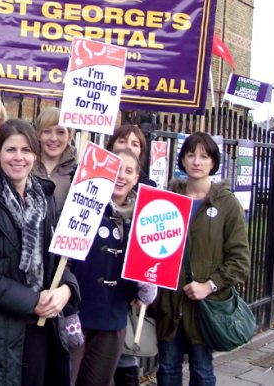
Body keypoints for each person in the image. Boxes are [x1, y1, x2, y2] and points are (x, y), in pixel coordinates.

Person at [0, 119, 80, 386]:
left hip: (42, 328)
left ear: (35, 155)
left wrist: (66, 290)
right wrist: (32, 300)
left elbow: (61, 260)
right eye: (11, 150)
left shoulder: (45, 199)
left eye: (26, 150)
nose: (18, 157)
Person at [152, 132, 250, 386]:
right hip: (169, 305)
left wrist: (209, 285)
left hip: (204, 307)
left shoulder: (227, 204)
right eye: (191, 155)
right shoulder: (166, 200)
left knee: (202, 371)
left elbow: (240, 261)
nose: (197, 161)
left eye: (204, 156)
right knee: (168, 370)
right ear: (182, 160)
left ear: (213, 163)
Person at [70, 150, 157, 386]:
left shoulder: (144, 218)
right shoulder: (84, 203)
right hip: (76, 315)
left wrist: (146, 284)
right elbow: (64, 260)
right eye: (116, 169)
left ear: (137, 177)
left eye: (128, 171)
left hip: (112, 319)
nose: (121, 176)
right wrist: (67, 312)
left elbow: (150, 262)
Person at [106, 124, 157, 386]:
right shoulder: (92, 193)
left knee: (125, 363)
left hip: (126, 302)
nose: (127, 146)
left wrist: (146, 283)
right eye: (122, 141)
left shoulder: (150, 201)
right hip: (92, 303)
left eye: (135, 143)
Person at [32, 107, 77, 212]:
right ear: (38, 135)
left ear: (69, 136)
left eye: (60, 132)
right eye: (47, 131)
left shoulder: (78, 172)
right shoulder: (25, 166)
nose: (53, 138)